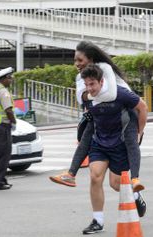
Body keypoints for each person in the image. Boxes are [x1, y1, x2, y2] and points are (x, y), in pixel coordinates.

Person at [50, 41, 144, 193]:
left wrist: (140, 131)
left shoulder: (106, 71)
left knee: (118, 176)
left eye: (80, 60)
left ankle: (135, 181)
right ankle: (70, 174)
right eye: (75, 60)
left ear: (91, 59)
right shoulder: (84, 76)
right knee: (86, 138)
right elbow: (82, 99)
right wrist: (89, 96)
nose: (76, 64)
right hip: (101, 115)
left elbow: (112, 94)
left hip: (124, 115)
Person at [81, 64, 148, 234]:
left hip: (119, 142)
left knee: (116, 184)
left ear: (102, 81)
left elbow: (143, 107)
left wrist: (139, 132)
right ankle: (98, 220)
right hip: (100, 143)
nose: (89, 88)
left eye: (92, 84)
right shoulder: (88, 97)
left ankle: (134, 195)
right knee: (95, 177)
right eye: (86, 84)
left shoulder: (119, 93)